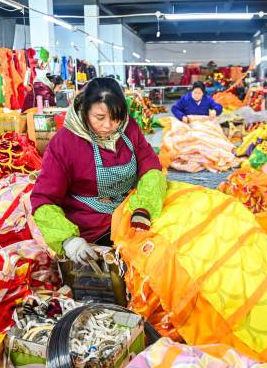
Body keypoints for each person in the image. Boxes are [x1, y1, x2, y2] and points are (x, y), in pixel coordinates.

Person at [31, 77, 167, 264]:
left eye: (116, 117)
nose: (108, 126)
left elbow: (150, 166)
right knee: (149, 255)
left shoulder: (129, 129)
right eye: (100, 118)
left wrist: (144, 208)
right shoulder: (65, 143)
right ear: (85, 111)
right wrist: (68, 239)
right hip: (93, 224)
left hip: (131, 210)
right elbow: (43, 199)